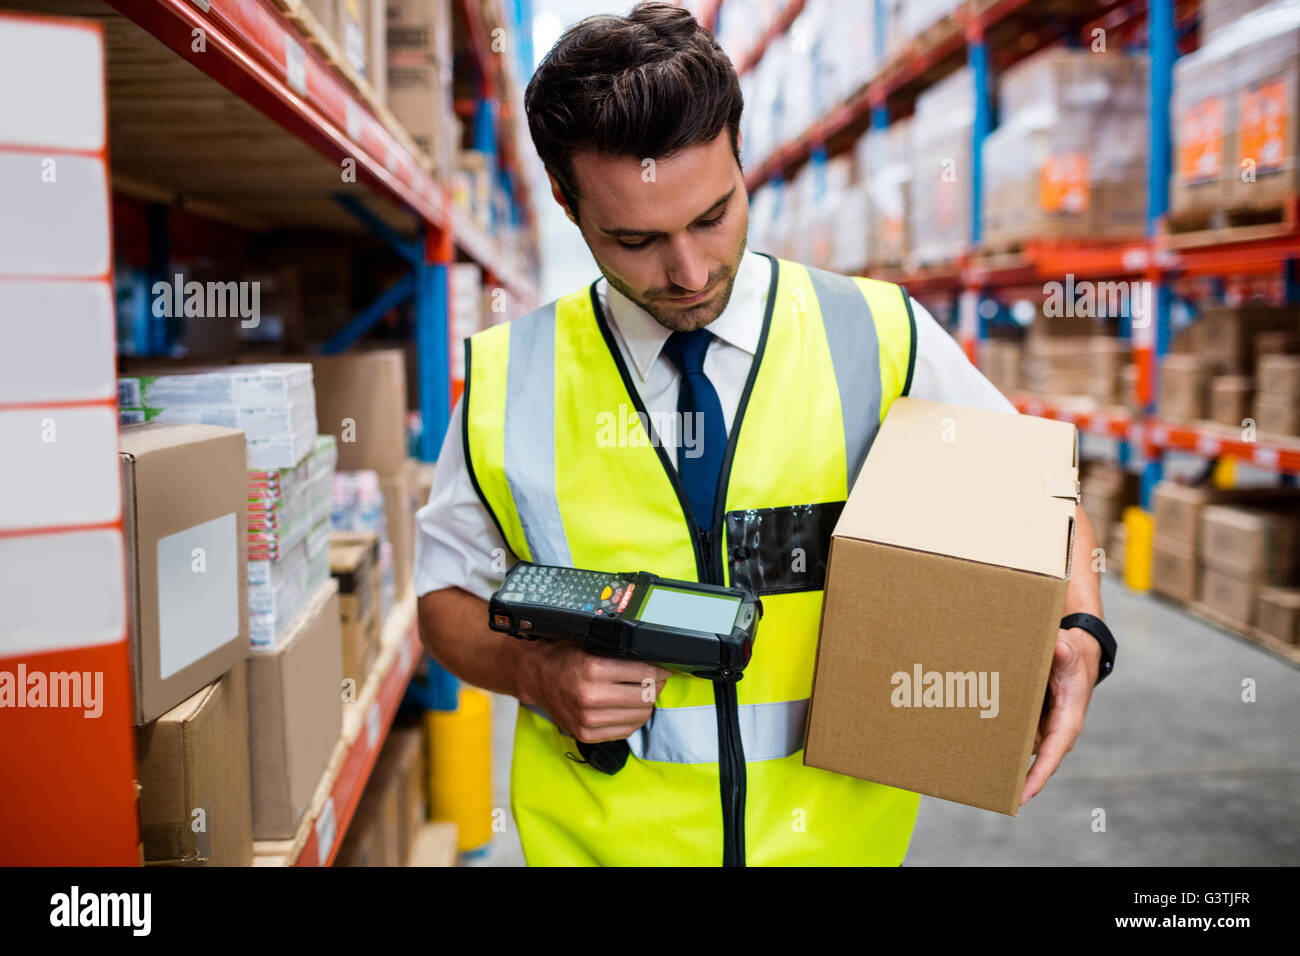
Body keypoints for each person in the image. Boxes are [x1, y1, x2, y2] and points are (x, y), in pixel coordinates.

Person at [414, 1, 1113, 866]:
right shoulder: (505, 380)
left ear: (742, 157)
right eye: (636, 240)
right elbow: (444, 597)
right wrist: (533, 674)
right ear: (565, 201)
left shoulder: (879, 335)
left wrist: (1082, 627)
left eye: (713, 216)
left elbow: (1038, 500)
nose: (690, 272)